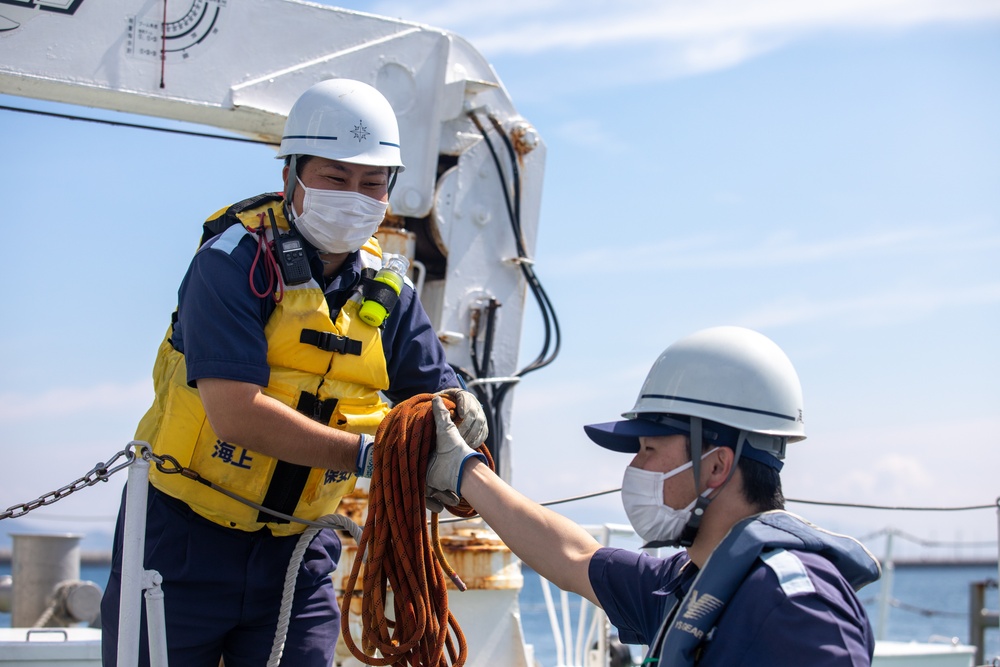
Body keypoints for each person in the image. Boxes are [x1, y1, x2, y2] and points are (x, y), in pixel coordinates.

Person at [100, 78, 487, 667]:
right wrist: (372, 458)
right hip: (181, 540)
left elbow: (437, 402)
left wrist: (465, 431)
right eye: (335, 178)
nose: (354, 196)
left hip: (301, 554)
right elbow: (235, 414)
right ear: (291, 177)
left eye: (372, 183)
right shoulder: (231, 262)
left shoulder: (391, 294)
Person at [427, 325, 882, 666]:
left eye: (648, 449)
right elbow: (573, 558)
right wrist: (464, 471)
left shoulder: (798, 606)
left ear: (718, 466)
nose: (633, 469)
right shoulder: (691, 583)